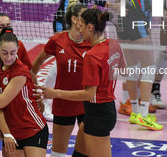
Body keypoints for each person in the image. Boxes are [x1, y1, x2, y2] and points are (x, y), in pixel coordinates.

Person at [37, 8, 126, 157]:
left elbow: (89, 94)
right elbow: (124, 71)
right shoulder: (114, 44)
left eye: (82, 26)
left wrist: (55, 93)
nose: (81, 29)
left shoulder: (92, 55)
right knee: (79, 154)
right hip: (104, 109)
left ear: (90, 27)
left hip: (98, 113)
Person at [47, 0, 110, 120]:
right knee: (60, 60)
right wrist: (108, 3)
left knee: (71, 60)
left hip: (80, 20)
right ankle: (44, 98)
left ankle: (63, 96)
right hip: (66, 18)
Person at [0, 28, 48, 157]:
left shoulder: (20, 71)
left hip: (32, 128)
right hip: (12, 131)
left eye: (13, 53)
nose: (9, 57)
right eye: (5, 53)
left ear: (18, 50)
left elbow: (1, 102)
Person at [32, 0, 91, 157]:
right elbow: (36, 64)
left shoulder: (92, 42)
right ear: (74, 19)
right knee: (58, 153)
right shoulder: (57, 40)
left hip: (87, 103)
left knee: (85, 151)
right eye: (84, 17)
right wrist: (33, 92)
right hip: (63, 103)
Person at [115, 0, 164, 131]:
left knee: (132, 68)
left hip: (122, 24)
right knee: (149, 67)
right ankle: (144, 114)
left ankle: (135, 112)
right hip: (139, 24)